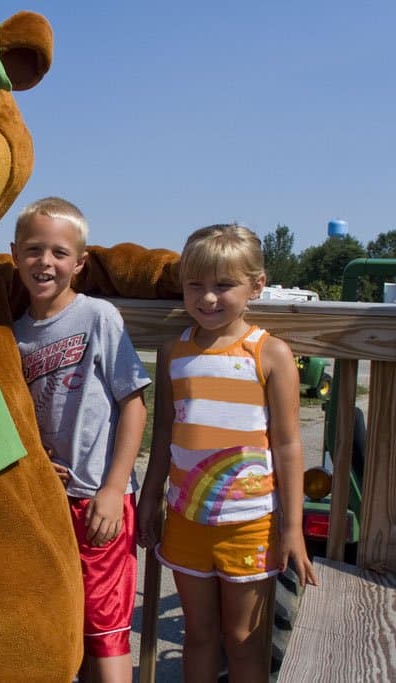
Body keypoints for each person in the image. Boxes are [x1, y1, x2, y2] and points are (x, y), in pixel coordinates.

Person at [137, 224, 319, 682]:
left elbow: (289, 443)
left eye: (224, 285)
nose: (208, 298)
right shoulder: (172, 351)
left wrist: (292, 528)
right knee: (198, 636)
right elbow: (164, 435)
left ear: (256, 286)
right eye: (195, 285)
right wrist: (149, 497)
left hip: (252, 525)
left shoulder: (270, 353)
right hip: (185, 521)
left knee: (244, 640)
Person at [10, 197, 149, 683]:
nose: (44, 262)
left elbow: (133, 403)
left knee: (105, 627)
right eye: (33, 249)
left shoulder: (98, 318)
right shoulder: (12, 334)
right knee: (57, 617)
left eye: (59, 253)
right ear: (13, 254)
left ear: (79, 263)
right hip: (45, 500)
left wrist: (114, 489)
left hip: (97, 503)